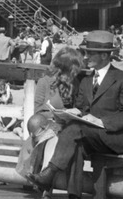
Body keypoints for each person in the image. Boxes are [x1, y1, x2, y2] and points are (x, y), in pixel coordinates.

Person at [27, 31, 123, 199]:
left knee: (75, 130)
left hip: (114, 137)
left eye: (90, 53)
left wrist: (100, 121)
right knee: (75, 142)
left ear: (104, 55)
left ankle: (49, 173)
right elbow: (81, 107)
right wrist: (74, 112)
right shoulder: (87, 80)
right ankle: (73, 195)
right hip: (89, 135)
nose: (86, 57)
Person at [17, 47, 84, 197]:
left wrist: (70, 113)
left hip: (66, 126)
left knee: (57, 137)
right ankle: (46, 186)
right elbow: (38, 108)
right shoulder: (44, 81)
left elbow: (78, 107)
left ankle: (45, 185)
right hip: (48, 124)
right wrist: (53, 113)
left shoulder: (75, 83)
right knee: (51, 137)